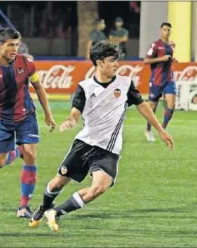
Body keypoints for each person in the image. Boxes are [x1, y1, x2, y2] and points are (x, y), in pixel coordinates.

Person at [28, 41, 174, 232]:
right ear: (99, 62)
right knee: (58, 182)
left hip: (108, 150)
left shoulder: (125, 84)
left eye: (117, 60)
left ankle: (56, 212)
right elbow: (75, 113)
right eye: (112, 60)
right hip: (85, 144)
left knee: (99, 188)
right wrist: (71, 121)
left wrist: (161, 130)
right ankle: (45, 205)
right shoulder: (85, 87)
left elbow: (142, 105)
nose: (117, 64)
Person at [0, 28, 56, 218]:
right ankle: (18, 150)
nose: (14, 49)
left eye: (17, 45)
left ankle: (23, 206)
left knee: (31, 155)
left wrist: (48, 114)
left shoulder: (26, 63)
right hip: (1, 120)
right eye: (10, 45)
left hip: (26, 116)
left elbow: (38, 87)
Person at [144, 22, 177, 142]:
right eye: (164, 30)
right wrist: (161, 59)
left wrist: (172, 60)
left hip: (169, 79)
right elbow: (146, 61)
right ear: (160, 31)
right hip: (156, 79)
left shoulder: (172, 45)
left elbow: (168, 60)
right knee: (152, 107)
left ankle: (162, 130)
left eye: (169, 30)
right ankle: (148, 130)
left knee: (171, 105)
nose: (167, 32)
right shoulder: (155, 45)